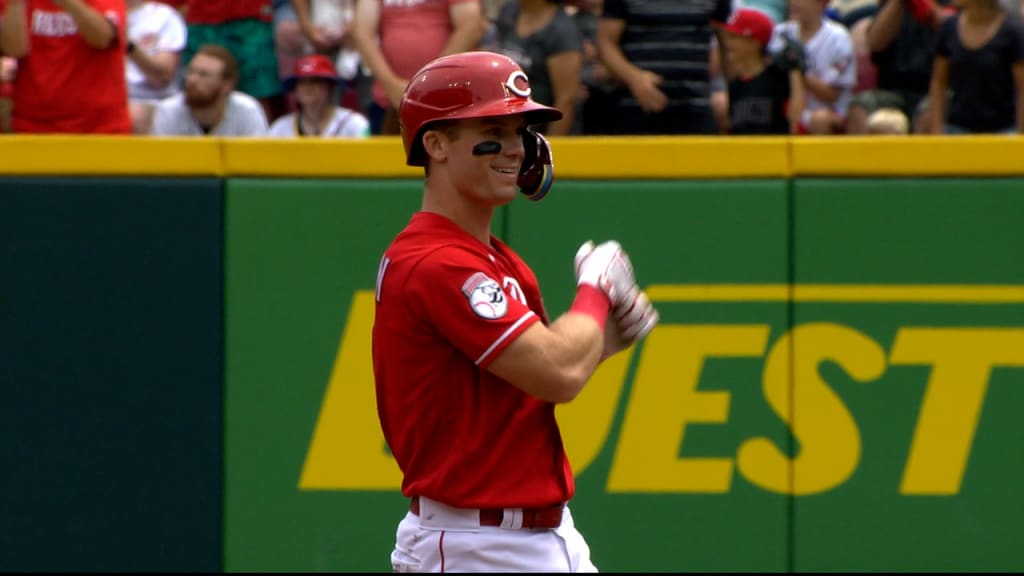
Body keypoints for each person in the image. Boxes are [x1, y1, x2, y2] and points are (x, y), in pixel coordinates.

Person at [373, 51, 658, 573]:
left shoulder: (495, 258)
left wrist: (605, 338)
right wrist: (594, 290)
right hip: (473, 545)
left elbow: (531, 382)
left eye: (519, 131)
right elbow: (558, 372)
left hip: (539, 534)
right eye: (491, 129)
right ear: (435, 144)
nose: (514, 148)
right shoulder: (437, 262)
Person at [596, 0, 732, 135]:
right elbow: (605, 43)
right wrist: (634, 78)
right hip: (639, 108)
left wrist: (729, 94)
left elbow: (728, 45)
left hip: (697, 107)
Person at [351, 0, 486, 135]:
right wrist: (392, 86)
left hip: (448, 97)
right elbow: (362, 32)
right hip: (389, 101)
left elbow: (471, 26)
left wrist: (430, 81)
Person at [0, 0, 131, 134]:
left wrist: (69, 3)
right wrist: (16, 4)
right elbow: (15, 49)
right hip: (34, 125)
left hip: (99, 126)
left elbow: (104, 38)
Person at [927, 0, 1024, 134]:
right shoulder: (948, 28)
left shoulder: (1013, 32)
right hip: (958, 128)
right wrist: (936, 131)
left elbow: (1022, 87)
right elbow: (939, 83)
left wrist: (1020, 137)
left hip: (1003, 128)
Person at [490, 0, 583, 136]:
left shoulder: (562, 32)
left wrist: (550, 148)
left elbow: (566, 99)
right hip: (506, 123)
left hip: (538, 130)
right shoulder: (509, 12)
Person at [767, 0, 858, 134]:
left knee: (819, 120)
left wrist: (798, 70)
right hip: (788, 106)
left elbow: (831, 95)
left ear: (821, 3)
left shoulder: (838, 38)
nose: (793, 3)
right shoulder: (780, 33)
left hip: (830, 110)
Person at [715, 7, 806, 134]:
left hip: (775, 150)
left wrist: (795, 71)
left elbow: (795, 123)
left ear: (754, 42)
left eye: (734, 37)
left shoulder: (777, 77)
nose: (728, 43)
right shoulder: (735, 85)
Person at [151, 43, 268, 136]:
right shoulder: (169, 111)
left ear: (227, 85)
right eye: (190, 72)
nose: (192, 80)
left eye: (203, 74)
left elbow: (259, 162)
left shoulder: (247, 111)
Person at [266, 53, 369, 137]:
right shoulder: (281, 128)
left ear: (330, 87)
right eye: (302, 82)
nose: (308, 87)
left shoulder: (353, 124)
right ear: (295, 90)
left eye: (315, 81)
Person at [126, 0, 188, 134]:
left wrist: (128, 45)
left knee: (134, 116)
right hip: (106, 98)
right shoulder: (95, 16)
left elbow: (161, 78)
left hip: (152, 99)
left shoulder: (163, 17)